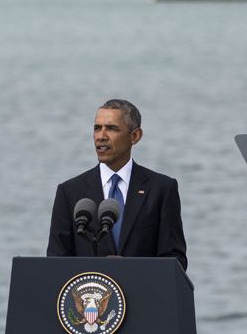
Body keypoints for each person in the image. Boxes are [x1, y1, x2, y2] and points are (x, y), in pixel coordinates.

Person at [46, 99, 187, 270]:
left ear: (135, 136)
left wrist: (129, 270)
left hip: (142, 295)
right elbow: (56, 263)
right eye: (97, 128)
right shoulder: (69, 192)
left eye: (111, 128)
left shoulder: (162, 189)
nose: (101, 136)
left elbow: (175, 261)